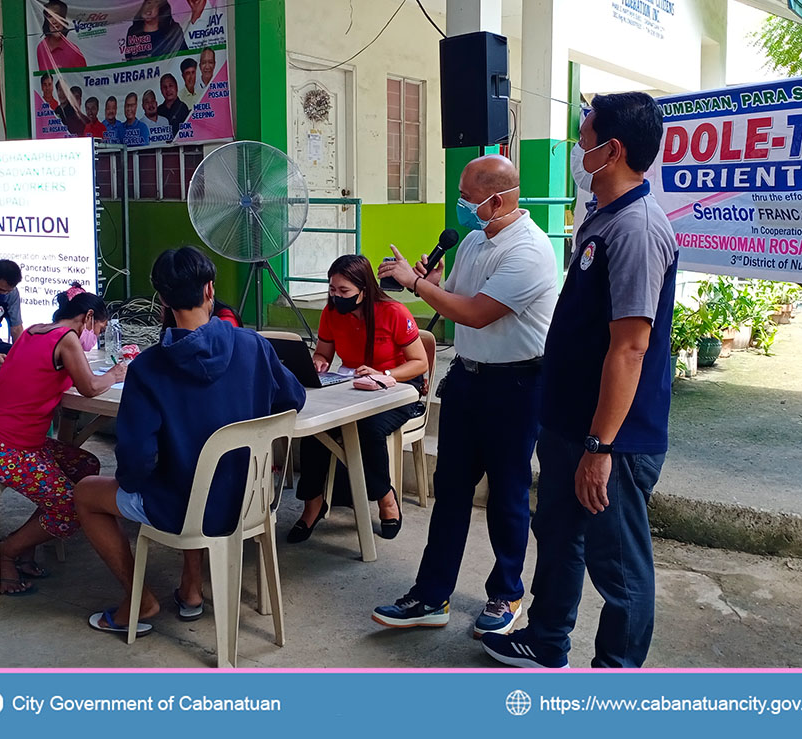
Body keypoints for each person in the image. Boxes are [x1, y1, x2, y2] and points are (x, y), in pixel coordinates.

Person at [481, 93, 676, 669]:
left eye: (583, 139)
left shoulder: (638, 228)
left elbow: (631, 345)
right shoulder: (603, 216)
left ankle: (615, 675)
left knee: (618, 565)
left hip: (611, 439)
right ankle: (545, 643)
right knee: (558, 536)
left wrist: (600, 447)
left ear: (610, 150)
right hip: (570, 423)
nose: (576, 150)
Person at [74, 247, 305, 635]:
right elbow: (293, 399)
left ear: (162, 299)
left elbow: (134, 461)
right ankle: (191, 589)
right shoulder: (255, 346)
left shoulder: (147, 368)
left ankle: (140, 599)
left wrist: (145, 480)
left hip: (184, 506)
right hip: (251, 501)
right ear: (210, 289)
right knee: (190, 475)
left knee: (86, 493)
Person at [374, 154, 558, 638]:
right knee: (450, 489)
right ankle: (431, 595)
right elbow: (454, 298)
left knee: (507, 494)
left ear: (496, 199)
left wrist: (416, 285)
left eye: (468, 197)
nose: (462, 205)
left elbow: (476, 313)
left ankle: (507, 592)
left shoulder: (531, 250)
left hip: (517, 385)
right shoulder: (476, 239)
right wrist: (429, 284)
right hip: (468, 378)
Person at [0, 286, 126, 595]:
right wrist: (117, 373)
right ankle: (8, 552)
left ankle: (28, 542)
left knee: (86, 464)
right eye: (100, 329)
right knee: (71, 505)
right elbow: (91, 388)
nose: (96, 337)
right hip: (2, 448)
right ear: (89, 317)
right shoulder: (67, 339)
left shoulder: (33, 332)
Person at [288, 255, 428, 544]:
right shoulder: (331, 313)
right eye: (332, 290)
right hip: (354, 385)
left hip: (398, 387)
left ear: (364, 289)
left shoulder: (394, 312)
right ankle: (313, 504)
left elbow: (420, 363)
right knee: (315, 428)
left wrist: (384, 373)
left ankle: (385, 498)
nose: (336, 297)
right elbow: (324, 352)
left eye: (344, 292)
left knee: (367, 428)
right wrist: (318, 362)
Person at [37, 0, 87, 71]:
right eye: (50, 16)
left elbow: (83, 79)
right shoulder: (41, 47)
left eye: (57, 16)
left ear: (64, 20)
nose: (54, 21)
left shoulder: (73, 51)